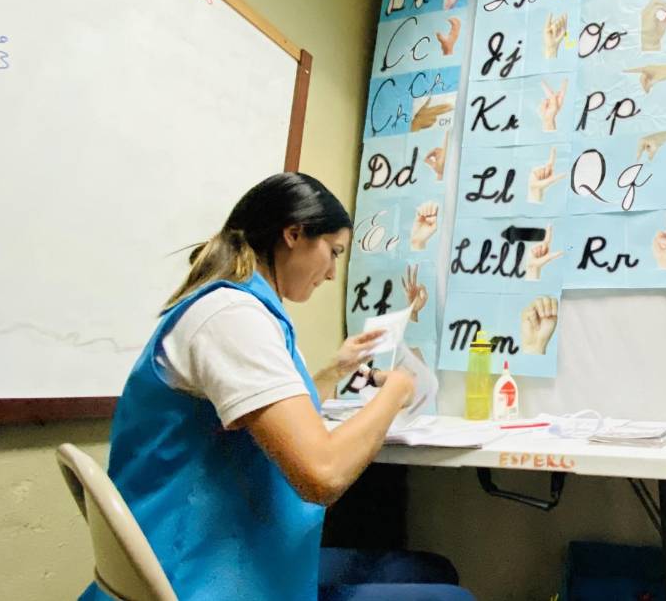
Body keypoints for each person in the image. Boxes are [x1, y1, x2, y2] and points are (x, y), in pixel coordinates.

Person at [80, 173, 473, 600]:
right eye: (333, 252)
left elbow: (278, 420)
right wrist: (397, 391)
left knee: (430, 569)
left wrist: (333, 372)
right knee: (453, 598)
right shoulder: (231, 317)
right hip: (198, 576)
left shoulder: (244, 311)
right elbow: (322, 475)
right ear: (294, 234)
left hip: (227, 550)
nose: (331, 273)